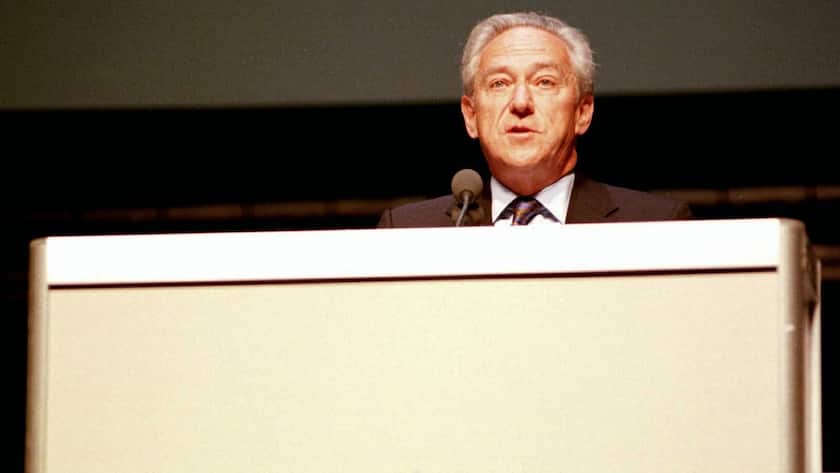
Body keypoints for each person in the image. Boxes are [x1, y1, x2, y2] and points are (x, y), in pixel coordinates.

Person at [378, 11, 691, 227]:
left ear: (583, 112)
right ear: (471, 115)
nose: (521, 103)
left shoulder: (654, 223)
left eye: (544, 82)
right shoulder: (410, 230)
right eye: (499, 83)